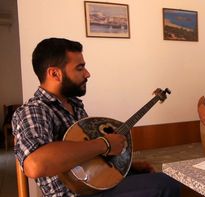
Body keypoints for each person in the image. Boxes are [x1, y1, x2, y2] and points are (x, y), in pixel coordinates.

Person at [12, 38, 180, 197]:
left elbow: (87, 155)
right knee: (165, 184)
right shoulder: (34, 110)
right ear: (55, 74)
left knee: (163, 176)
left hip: (95, 187)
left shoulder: (75, 106)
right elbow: (35, 165)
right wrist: (105, 143)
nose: (87, 73)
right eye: (80, 68)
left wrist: (126, 168)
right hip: (74, 194)